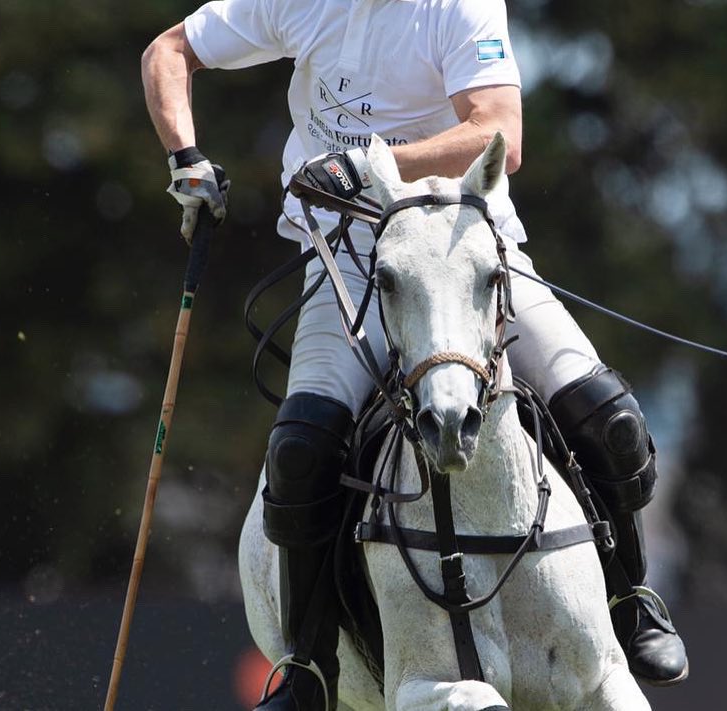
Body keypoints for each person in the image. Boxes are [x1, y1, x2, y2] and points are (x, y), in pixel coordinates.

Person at [142, 0, 688, 707]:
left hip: (468, 252)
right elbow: (171, 49)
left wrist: (365, 166)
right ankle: (308, 664)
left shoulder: (457, 5)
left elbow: (501, 133)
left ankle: (632, 596)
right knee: (303, 447)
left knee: (605, 413)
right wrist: (186, 158)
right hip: (349, 265)